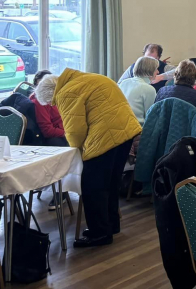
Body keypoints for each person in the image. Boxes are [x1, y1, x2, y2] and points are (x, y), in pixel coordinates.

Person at [35, 70, 141, 247]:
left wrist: (76, 150)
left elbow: (75, 131)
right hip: (127, 132)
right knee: (111, 183)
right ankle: (112, 225)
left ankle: (100, 234)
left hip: (105, 139)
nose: (53, 105)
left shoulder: (66, 93)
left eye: (51, 102)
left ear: (52, 93)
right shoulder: (93, 77)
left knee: (92, 187)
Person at [156, 60, 196, 134]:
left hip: (163, 135)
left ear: (175, 75)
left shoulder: (161, 92)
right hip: (192, 137)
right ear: (195, 77)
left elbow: (155, 116)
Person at [30, 70, 67, 147]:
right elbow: (47, 130)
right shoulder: (40, 101)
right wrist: (67, 133)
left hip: (67, 128)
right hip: (58, 134)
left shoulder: (58, 96)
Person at [119, 56, 160, 125]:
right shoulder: (149, 89)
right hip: (137, 128)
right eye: (156, 69)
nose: (158, 72)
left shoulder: (124, 82)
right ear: (150, 70)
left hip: (120, 125)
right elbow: (150, 117)